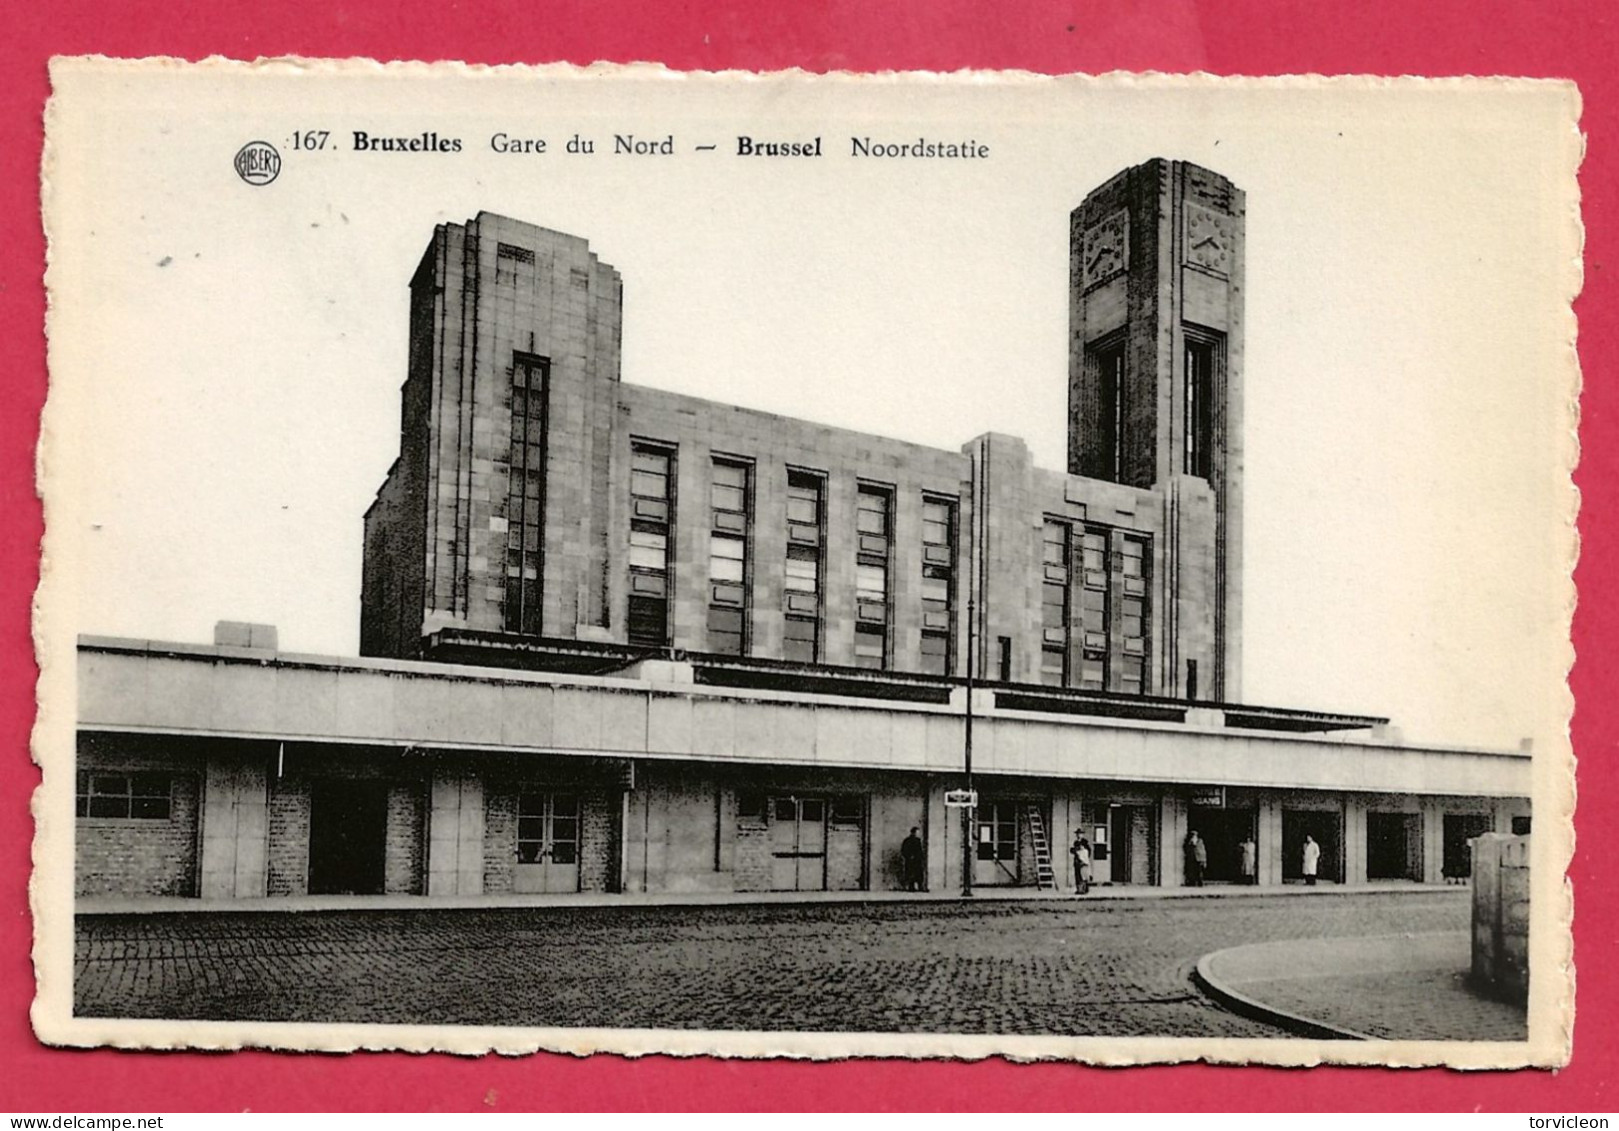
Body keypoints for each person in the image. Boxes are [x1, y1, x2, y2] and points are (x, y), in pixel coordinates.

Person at [900, 826, 925, 892]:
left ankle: (920, 887)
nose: (918, 834)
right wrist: (909, 856)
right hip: (910, 861)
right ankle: (911, 887)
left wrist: (921, 857)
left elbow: (920, 851)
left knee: (919, 874)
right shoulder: (907, 841)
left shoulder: (918, 840)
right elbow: (903, 850)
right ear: (913, 833)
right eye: (917, 832)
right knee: (911, 874)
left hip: (917, 861)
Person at [1071, 831, 1092, 896]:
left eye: (1080, 834)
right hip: (1077, 860)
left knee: (1084, 875)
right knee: (1077, 875)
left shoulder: (1085, 842)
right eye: (1077, 834)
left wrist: (1085, 858)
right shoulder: (1075, 842)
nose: (1078, 835)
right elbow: (1073, 850)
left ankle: (1084, 889)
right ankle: (1078, 889)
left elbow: (1088, 851)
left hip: (1083, 861)